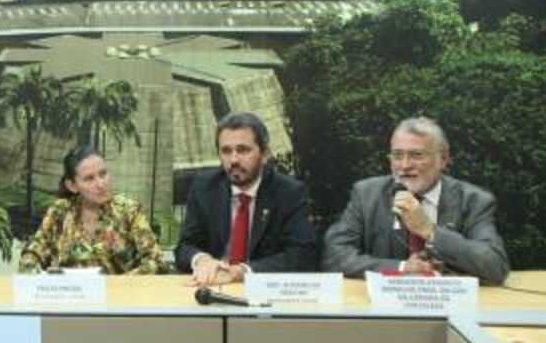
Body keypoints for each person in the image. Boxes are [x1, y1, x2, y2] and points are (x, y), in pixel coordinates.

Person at [322, 116, 509, 284]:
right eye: (397, 155)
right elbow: (334, 256)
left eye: (416, 155)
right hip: (383, 307)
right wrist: (402, 268)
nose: (404, 166)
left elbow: (494, 266)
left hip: (447, 305)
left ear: (443, 159)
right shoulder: (366, 194)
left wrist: (429, 231)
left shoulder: (473, 201)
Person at [175, 112, 318, 285]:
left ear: (264, 154)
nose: (233, 160)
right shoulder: (205, 187)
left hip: (264, 294)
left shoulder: (289, 192)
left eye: (243, 150)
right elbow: (184, 247)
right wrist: (201, 259)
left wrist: (242, 272)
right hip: (213, 288)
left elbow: (302, 256)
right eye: (226, 151)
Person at [18, 145, 161, 274]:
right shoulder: (59, 212)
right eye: (89, 179)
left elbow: (154, 260)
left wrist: (122, 282)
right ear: (72, 186)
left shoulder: (128, 211)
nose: (100, 184)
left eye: (103, 174)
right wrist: (31, 273)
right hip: (69, 297)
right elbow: (33, 252)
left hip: (117, 297)